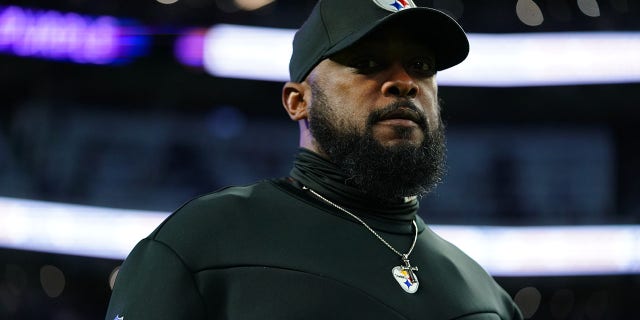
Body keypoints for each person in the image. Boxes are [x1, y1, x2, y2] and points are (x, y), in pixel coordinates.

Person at [105, 0, 523, 319]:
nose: (403, 83)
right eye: (368, 63)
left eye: (420, 65)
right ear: (298, 101)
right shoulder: (200, 243)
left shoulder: (488, 298)